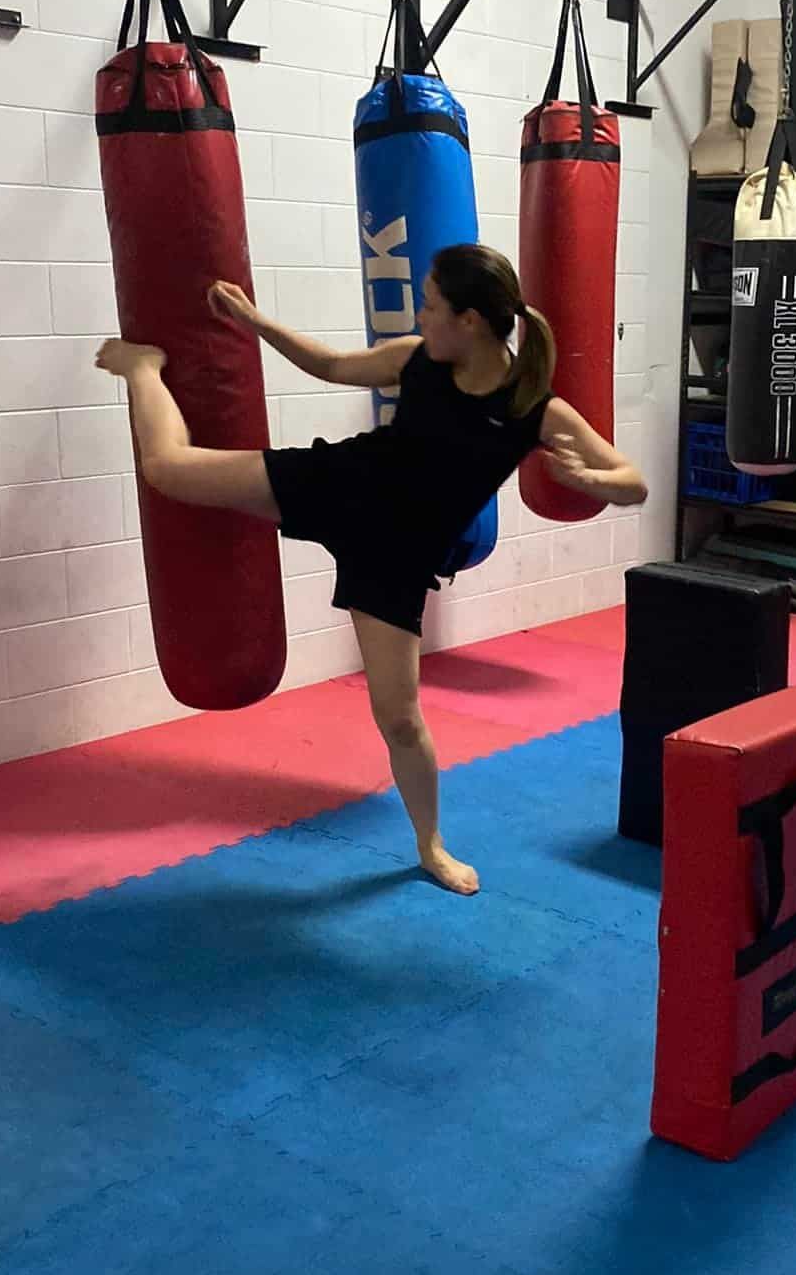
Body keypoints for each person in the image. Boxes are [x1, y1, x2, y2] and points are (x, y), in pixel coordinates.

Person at [95, 243, 647, 897]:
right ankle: (141, 371)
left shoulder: (533, 408)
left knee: (402, 718)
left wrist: (594, 479)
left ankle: (431, 845)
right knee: (168, 471)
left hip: (396, 557)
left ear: (469, 321)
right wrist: (254, 321)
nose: (421, 313)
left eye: (432, 305)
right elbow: (329, 365)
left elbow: (632, 481)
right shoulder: (416, 360)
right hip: (342, 485)